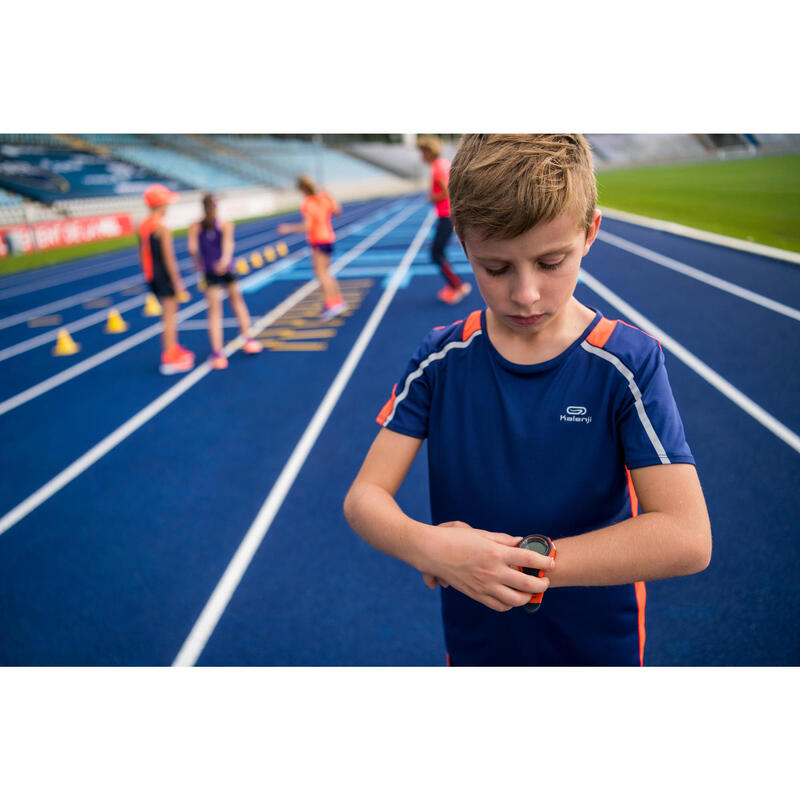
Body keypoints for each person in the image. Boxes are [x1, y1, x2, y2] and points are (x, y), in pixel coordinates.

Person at [344, 134, 711, 667]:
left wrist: (522, 563)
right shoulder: (440, 359)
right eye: (496, 269)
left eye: (550, 262)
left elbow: (686, 536)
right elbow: (364, 497)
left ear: (590, 233)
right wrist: (429, 547)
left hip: (595, 647)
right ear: (464, 247)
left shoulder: (627, 361)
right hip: (477, 643)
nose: (525, 294)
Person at [186, 193, 262, 370]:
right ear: (216, 207)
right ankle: (249, 340)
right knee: (237, 303)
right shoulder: (226, 225)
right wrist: (225, 261)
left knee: (214, 312)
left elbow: (192, 249)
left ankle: (218, 354)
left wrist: (199, 262)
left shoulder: (195, 227)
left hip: (209, 270)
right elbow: (228, 245)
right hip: (227, 269)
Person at [138, 184, 195, 374]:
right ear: (161, 204)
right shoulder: (162, 228)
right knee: (170, 316)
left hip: (152, 276)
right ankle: (169, 356)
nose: (168, 207)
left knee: (168, 315)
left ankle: (172, 348)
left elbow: (142, 255)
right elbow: (169, 258)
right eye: (166, 203)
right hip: (164, 276)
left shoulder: (143, 225)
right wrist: (177, 283)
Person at [277, 175, 347, 321]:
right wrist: (329, 196)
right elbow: (338, 212)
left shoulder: (308, 203)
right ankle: (337, 301)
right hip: (329, 237)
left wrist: (287, 228)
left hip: (318, 240)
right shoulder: (324, 197)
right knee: (327, 273)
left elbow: (307, 226)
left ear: (302, 189)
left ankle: (331, 304)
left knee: (322, 275)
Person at [417, 135, 472, 305]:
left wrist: (433, 197)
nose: (421, 156)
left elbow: (447, 190)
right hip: (447, 214)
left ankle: (457, 285)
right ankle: (455, 284)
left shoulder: (437, 166)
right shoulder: (443, 164)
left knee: (435, 254)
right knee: (439, 252)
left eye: (422, 152)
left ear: (428, 151)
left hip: (446, 215)